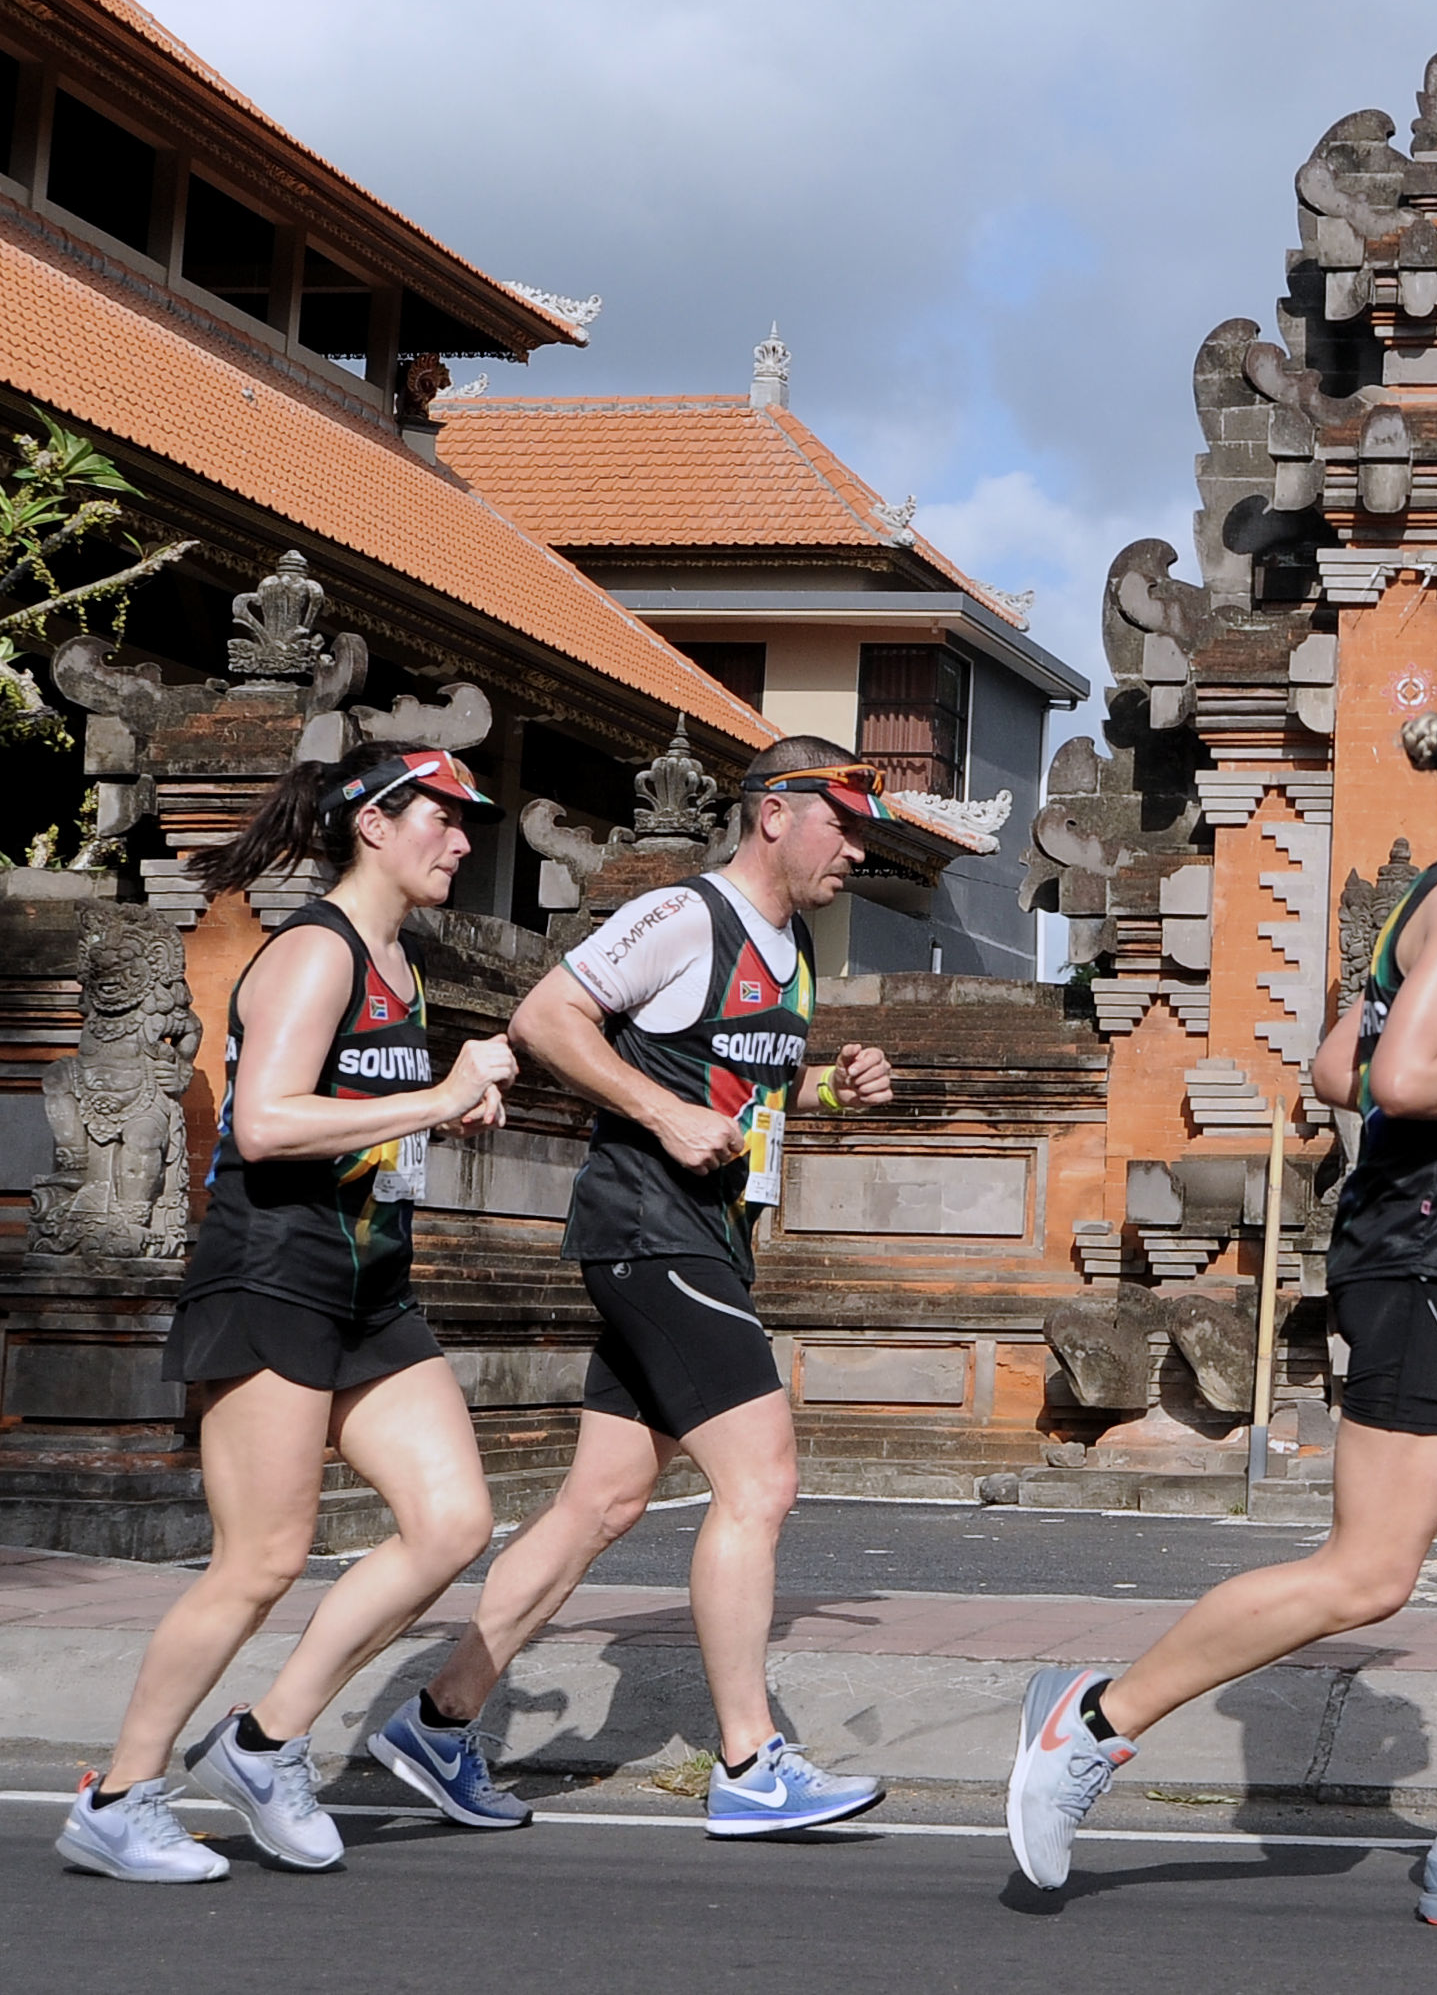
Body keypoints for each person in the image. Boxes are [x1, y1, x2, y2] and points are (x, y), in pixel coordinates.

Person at [1006, 687, 1437, 1928]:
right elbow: (1400, 1079)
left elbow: (1338, 1067)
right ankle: (1090, 1720)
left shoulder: (1428, 902)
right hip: (1420, 1266)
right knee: (1368, 1575)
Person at [381, 738, 897, 1840]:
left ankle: (438, 1717)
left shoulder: (793, 945)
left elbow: (731, 1083)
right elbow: (544, 1018)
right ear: (773, 813)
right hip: (650, 1230)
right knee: (762, 1482)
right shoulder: (681, 917)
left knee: (603, 1500)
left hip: (705, 1232)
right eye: (841, 824)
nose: (856, 849)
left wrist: (831, 1087)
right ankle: (753, 1759)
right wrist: (660, 1116)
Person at [58, 746, 519, 1883]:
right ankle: (120, 1793)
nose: (464, 842)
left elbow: (358, 1114)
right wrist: (441, 1092)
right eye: (445, 820)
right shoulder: (314, 952)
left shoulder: (396, 963)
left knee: (453, 1521)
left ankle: (265, 1741)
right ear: (375, 824)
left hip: (367, 1279)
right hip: (271, 1270)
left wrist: (438, 1115)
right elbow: (261, 1125)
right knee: (260, 1558)